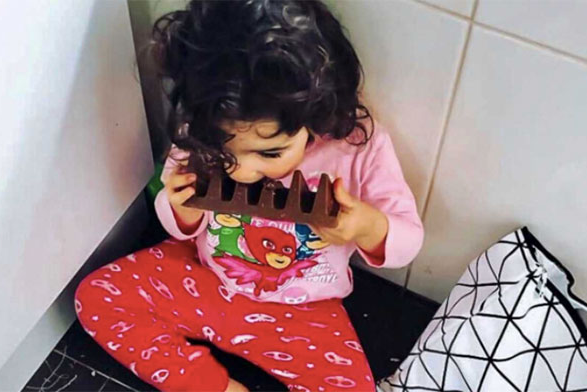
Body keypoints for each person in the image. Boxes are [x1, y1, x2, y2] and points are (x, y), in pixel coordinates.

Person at [75, 1, 424, 390]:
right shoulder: (203, 127)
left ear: (318, 113)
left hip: (304, 309)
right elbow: (178, 226)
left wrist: (365, 226)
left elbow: (409, 241)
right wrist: (180, 208)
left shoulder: (356, 148)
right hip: (206, 279)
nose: (240, 171)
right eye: (222, 152)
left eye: (270, 153)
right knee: (98, 296)